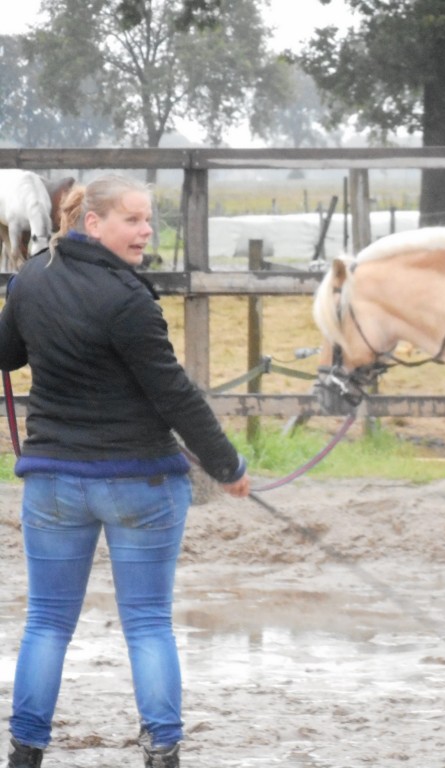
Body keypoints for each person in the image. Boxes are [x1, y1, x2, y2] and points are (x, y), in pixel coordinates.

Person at [0, 175, 251, 768]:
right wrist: (226, 465)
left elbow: (6, 356)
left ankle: (26, 750)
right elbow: (174, 393)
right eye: (133, 220)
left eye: (148, 220)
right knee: (147, 623)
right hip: (140, 484)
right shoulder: (128, 299)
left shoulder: (31, 279)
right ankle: (162, 748)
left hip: (54, 482)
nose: (146, 232)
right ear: (93, 223)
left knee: (46, 623)